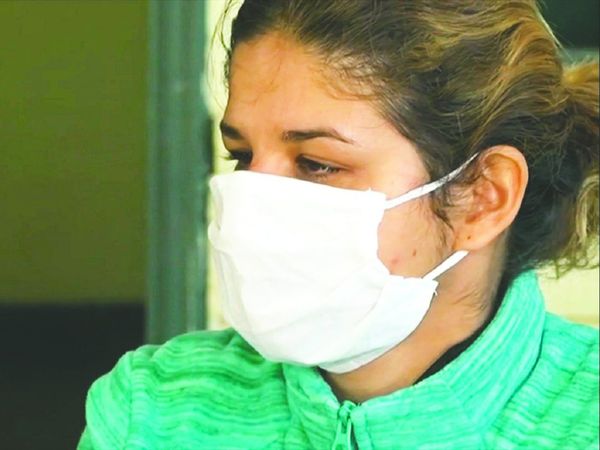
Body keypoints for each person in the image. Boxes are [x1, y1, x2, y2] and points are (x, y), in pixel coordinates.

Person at [78, 1, 599, 449]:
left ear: (484, 197)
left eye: (317, 164)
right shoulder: (153, 410)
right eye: (241, 155)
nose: (254, 207)